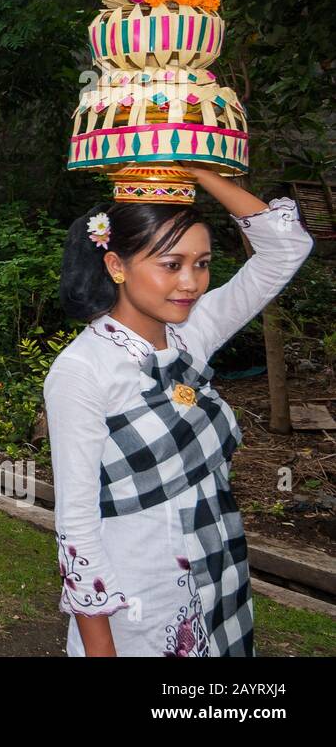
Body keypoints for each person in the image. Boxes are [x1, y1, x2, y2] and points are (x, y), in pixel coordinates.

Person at [46, 168, 313, 658]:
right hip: (136, 601)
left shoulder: (192, 333)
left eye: (203, 263)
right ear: (116, 264)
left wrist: (197, 173)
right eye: (171, 264)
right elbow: (76, 525)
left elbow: (286, 248)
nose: (190, 282)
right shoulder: (83, 370)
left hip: (218, 571)